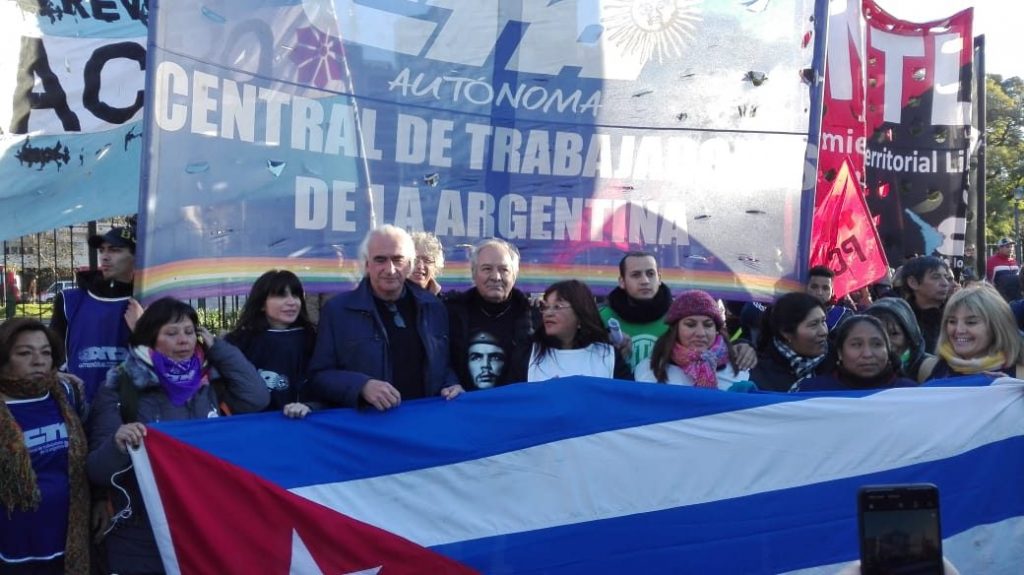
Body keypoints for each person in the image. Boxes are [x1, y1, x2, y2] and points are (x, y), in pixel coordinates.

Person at [87, 298, 268, 574]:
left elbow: (257, 398)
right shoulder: (120, 387)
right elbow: (97, 470)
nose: (183, 340)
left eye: (189, 331)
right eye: (171, 333)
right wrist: (117, 444)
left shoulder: (212, 381)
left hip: (206, 523)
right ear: (150, 339)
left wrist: (218, 348)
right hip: (141, 530)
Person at [308, 225, 463, 409]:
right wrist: (362, 386)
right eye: (380, 260)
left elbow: (443, 366)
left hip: (424, 426)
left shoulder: (434, 307)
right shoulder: (337, 311)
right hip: (369, 429)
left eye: (398, 260)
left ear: (410, 265)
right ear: (366, 264)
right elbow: (318, 376)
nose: (390, 269)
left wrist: (451, 385)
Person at [1, 319, 89, 574]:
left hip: (68, 540)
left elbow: (89, 454)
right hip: (13, 547)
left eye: (45, 353)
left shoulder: (68, 394)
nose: (38, 361)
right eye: (24, 353)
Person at [50, 226, 144, 402]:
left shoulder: (148, 301)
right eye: (102, 250)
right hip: (80, 406)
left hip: (131, 409)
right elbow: (52, 357)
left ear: (136, 256)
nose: (105, 257)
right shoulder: (69, 300)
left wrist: (142, 328)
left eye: (115, 250)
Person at [225, 270, 317, 418]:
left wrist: (310, 406)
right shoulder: (237, 341)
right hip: (251, 426)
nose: (291, 302)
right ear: (261, 303)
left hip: (300, 423)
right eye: (281, 295)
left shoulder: (312, 339)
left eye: (296, 295)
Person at [446, 238, 535, 390]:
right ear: (474, 273)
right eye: (487, 269)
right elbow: (437, 362)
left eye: (503, 269)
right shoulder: (450, 313)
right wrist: (450, 383)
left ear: (514, 275)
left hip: (515, 408)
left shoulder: (534, 316)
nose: (496, 277)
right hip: (463, 408)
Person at [634, 290, 749, 389]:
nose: (700, 333)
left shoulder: (740, 371)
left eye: (708, 325)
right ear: (675, 329)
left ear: (716, 329)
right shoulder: (648, 371)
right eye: (690, 325)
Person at [528, 280, 631, 381]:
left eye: (557, 306)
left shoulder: (608, 356)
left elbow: (625, 395)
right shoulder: (529, 353)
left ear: (580, 312)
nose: (548, 313)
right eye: (545, 307)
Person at [919, 285, 1024, 381]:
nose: (959, 330)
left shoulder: (1020, 376)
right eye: (952, 321)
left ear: (996, 327)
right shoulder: (928, 368)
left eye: (971, 322)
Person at [794, 315, 917, 391]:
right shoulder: (812, 392)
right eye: (856, 345)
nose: (867, 354)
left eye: (877, 344)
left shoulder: (910, 393)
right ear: (840, 352)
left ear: (888, 349)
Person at [598, 251, 673, 369]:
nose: (645, 281)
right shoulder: (603, 317)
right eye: (636, 275)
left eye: (650, 274)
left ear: (659, 278)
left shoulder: (677, 317)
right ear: (622, 282)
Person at [749, 292, 830, 391]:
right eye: (813, 324)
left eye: (823, 321)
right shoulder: (757, 374)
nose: (823, 332)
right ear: (786, 332)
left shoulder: (838, 360)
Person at [862, 297, 934, 382]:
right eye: (878, 334)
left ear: (909, 336)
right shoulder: (857, 371)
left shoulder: (930, 369)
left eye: (894, 334)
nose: (886, 342)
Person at [895, 256, 951, 354]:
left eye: (946, 277)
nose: (945, 283)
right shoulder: (899, 320)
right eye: (936, 277)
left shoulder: (957, 315)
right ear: (913, 282)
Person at [806, 266, 852, 330]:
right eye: (814, 287)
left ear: (832, 291)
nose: (820, 293)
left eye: (825, 288)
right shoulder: (796, 314)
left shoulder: (844, 316)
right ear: (806, 288)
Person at [410, 231, 445, 296]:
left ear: (436, 267)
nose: (420, 266)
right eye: (414, 259)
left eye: (427, 260)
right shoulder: (389, 299)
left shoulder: (444, 302)